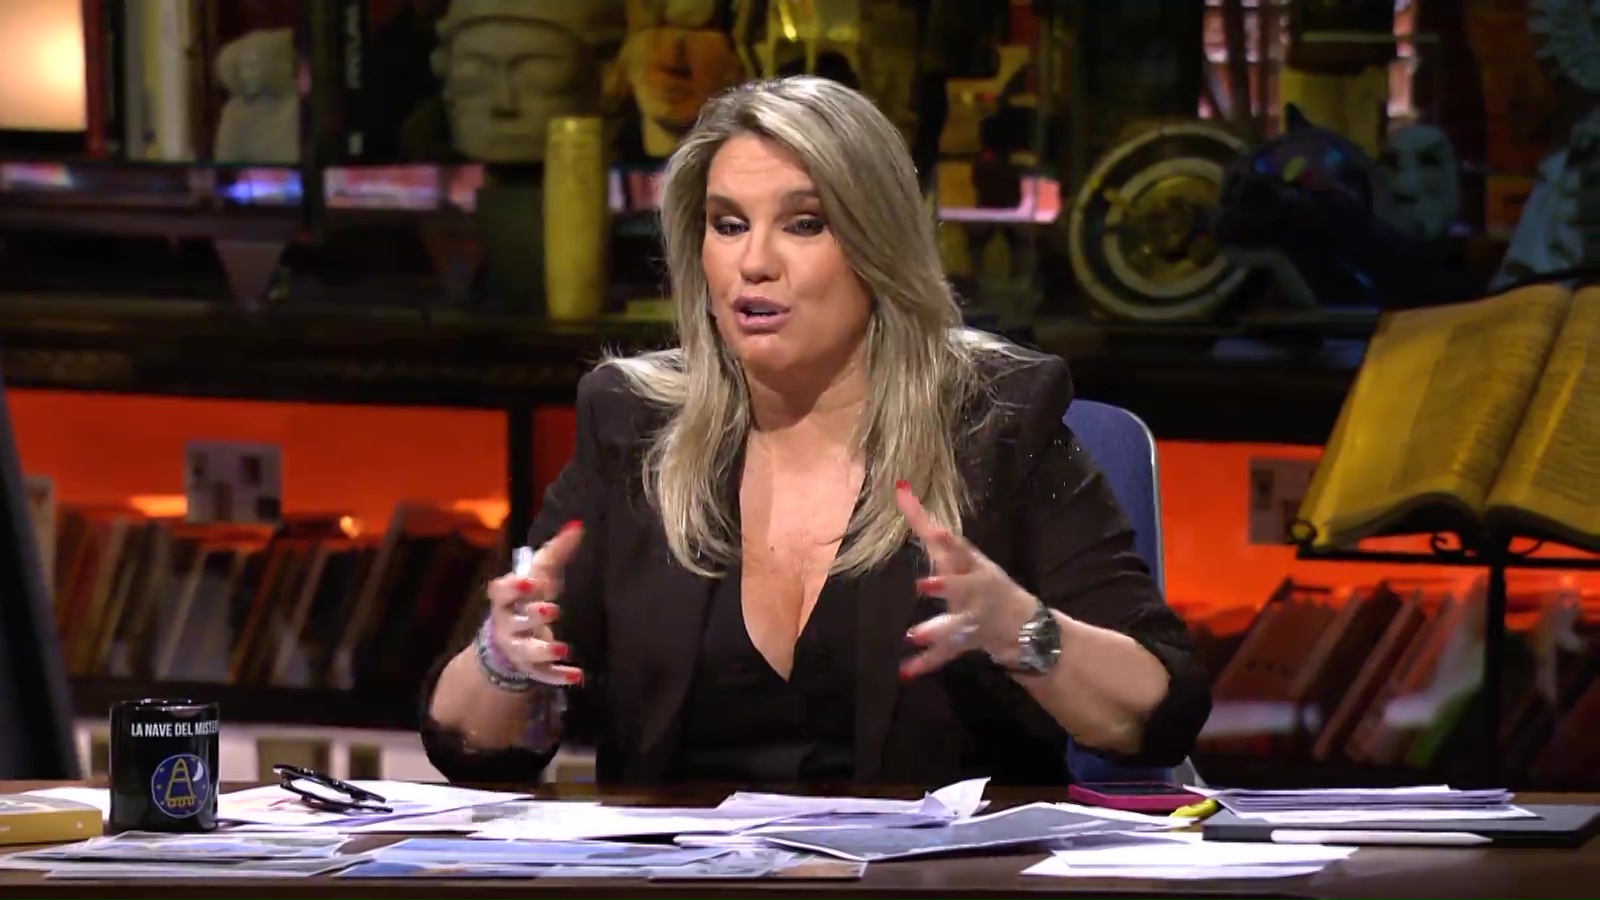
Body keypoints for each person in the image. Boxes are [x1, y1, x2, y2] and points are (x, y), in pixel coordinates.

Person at [422, 76, 1212, 786]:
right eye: (728, 225)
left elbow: (1160, 712)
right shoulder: (636, 426)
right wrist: (503, 660)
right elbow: (474, 749)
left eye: (804, 224)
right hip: (684, 876)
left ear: (876, 246)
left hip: (929, 879)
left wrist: (1022, 631)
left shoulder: (995, 422)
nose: (754, 262)